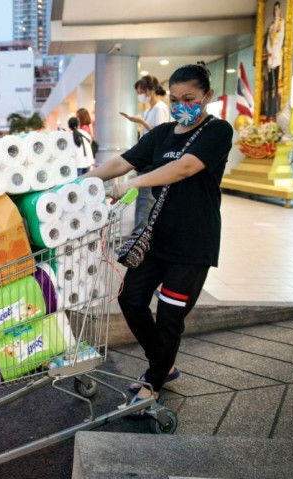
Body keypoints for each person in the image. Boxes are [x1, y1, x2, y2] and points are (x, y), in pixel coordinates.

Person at [87, 63, 233, 414]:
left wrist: (136, 182)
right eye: (176, 98)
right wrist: (81, 183)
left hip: (193, 244)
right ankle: (162, 363)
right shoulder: (163, 133)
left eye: (190, 98)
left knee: (170, 315)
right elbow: (122, 162)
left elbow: (184, 168)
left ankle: (152, 382)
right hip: (157, 239)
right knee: (131, 298)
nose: (183, 104)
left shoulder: (218, 131)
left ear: (207, 97)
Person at [120, 74, 171, 234]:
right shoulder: (150, 109)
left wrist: (141, 121)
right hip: (147, 160)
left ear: (150, 90)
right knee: (142, 198)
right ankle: (139, 232)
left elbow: (160, 134)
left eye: (141, 91)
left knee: (145, 199)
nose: (140, 95)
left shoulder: (160, 108)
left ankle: (141, 234)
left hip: (153, 161)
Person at [264, 1, 284, 120]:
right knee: (269, 85)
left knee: (275, 85)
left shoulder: (281, 24)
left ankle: (275, 110)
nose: (276, 11)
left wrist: (274, 52)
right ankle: (269, 111)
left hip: (276, 57)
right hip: (271, 56)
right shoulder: (271, 26)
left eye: (277, 9)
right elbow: (268, 41)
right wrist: (269, 51)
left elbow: (280, 39)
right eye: (274, 9)